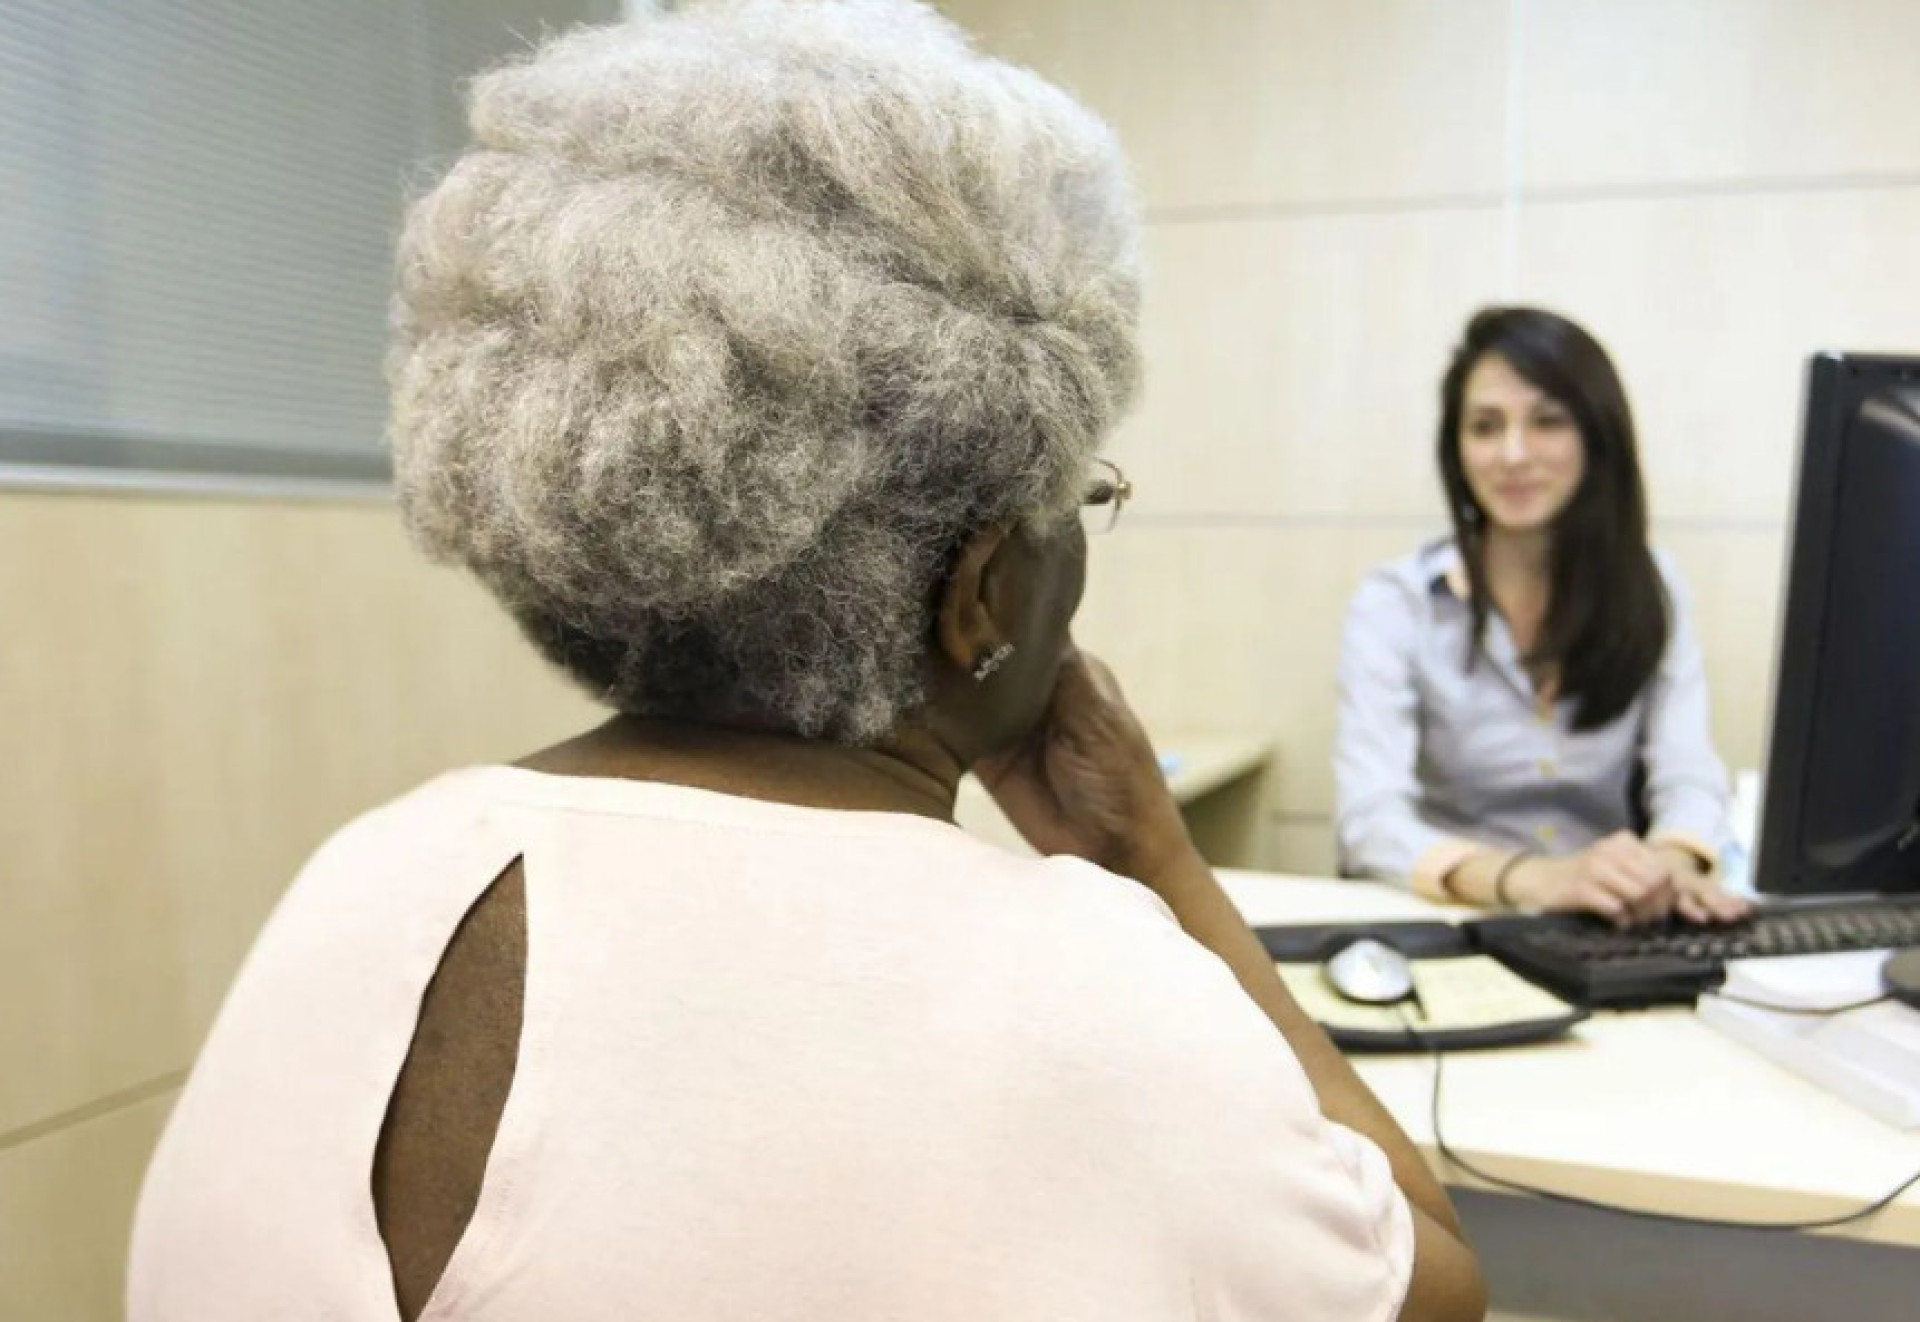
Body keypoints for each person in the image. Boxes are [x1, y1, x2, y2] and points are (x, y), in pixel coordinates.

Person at [129, 5, 1484, 1321]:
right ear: (984, 589)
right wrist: (1159, 863)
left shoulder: (363, 878)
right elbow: (1432, 1279)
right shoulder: (1097, 997)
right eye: (1086, 496)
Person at [1335, 306, 1749, 927]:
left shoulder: (1653, 587)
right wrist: (1535, 880)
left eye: (1548, 421)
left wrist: (1670, 863)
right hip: (1460, 919)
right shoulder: (1396, 602)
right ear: (1457, 448)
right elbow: (1369, 820)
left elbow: (1687, 774)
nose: (1513, 454)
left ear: (1595, 435)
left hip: (1611, 922)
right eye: (1484, 426)